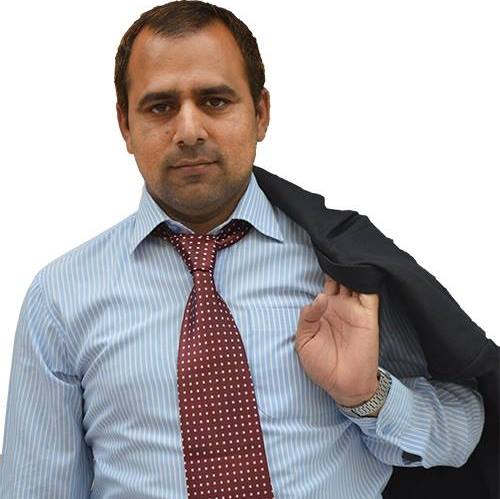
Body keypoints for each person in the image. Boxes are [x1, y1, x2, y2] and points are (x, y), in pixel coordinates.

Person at [0, 1, 492, 498]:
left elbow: (464, 431)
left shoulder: (344, 270)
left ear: (260, 113)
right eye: (160, 107)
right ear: (125, 125)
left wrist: (369, 395)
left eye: (215, 101)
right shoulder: (60, 297)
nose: (189, 131)